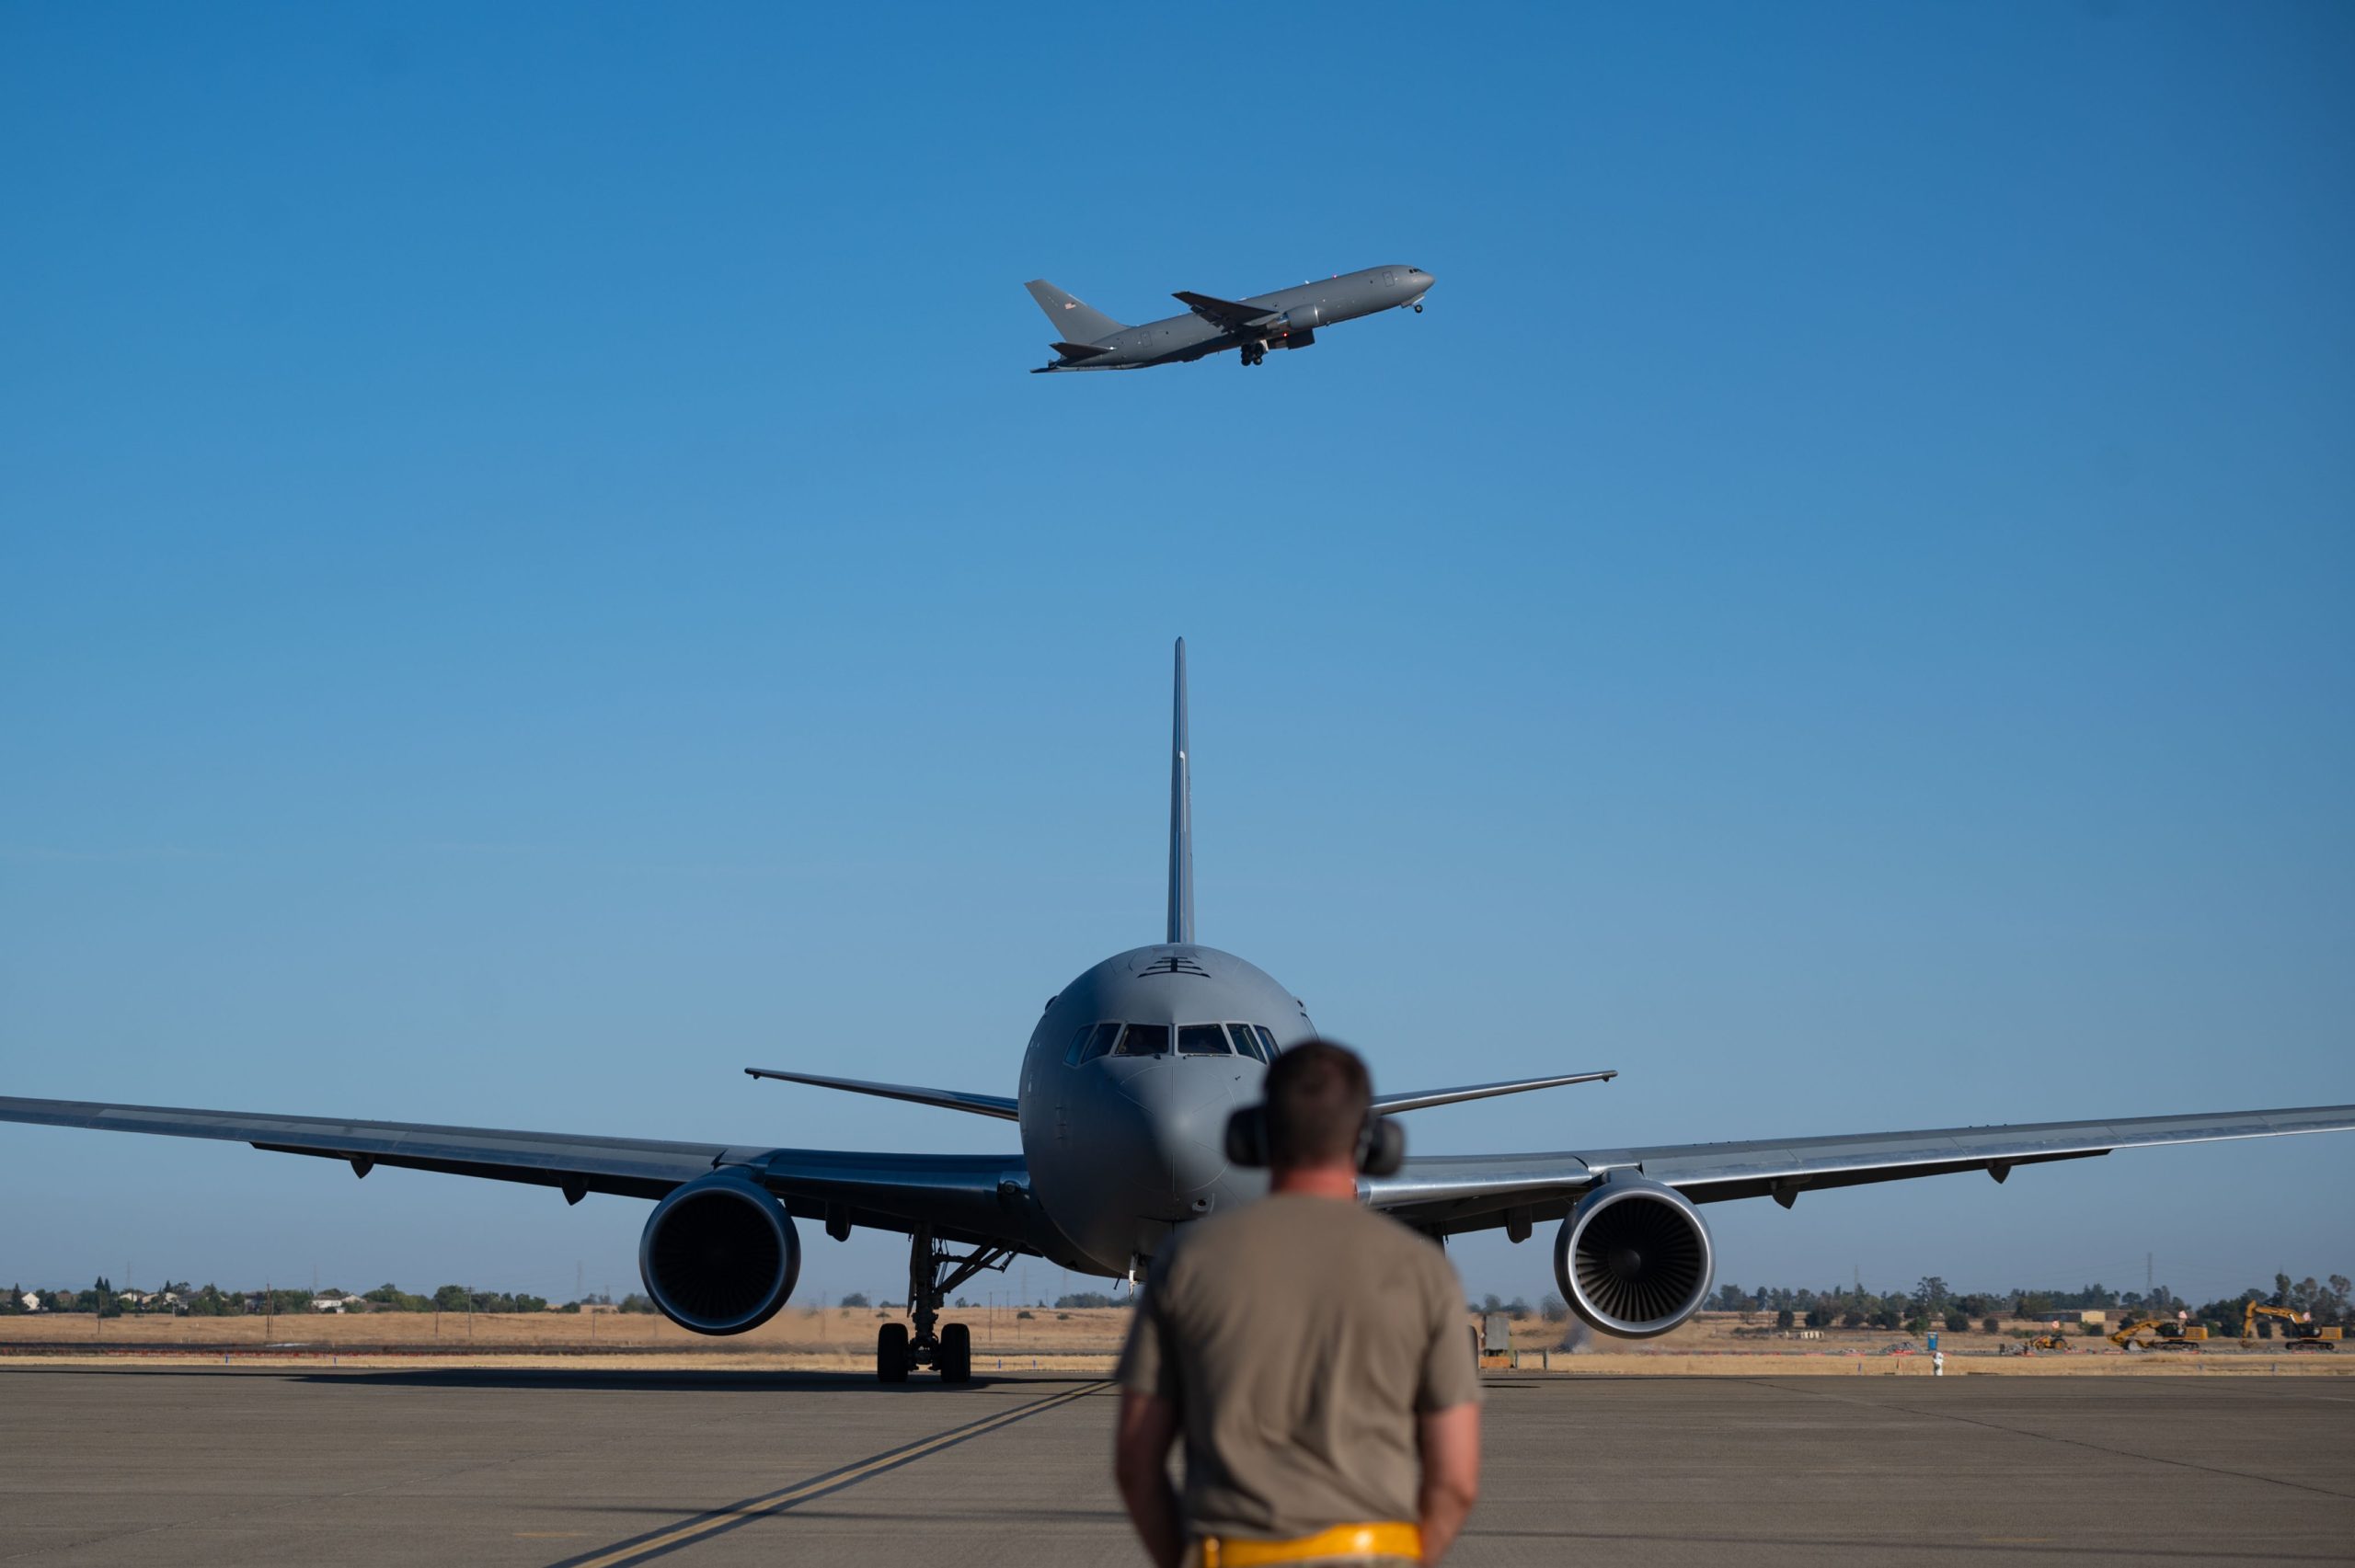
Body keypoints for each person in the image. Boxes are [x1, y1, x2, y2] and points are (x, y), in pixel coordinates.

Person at [1112, 1040, 1482, 1568]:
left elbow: (1136, 1464)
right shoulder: (1422, 1272)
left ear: (1255, 1135)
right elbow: (1456, 1481)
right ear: (1374, 1141)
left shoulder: (1190, 1261)